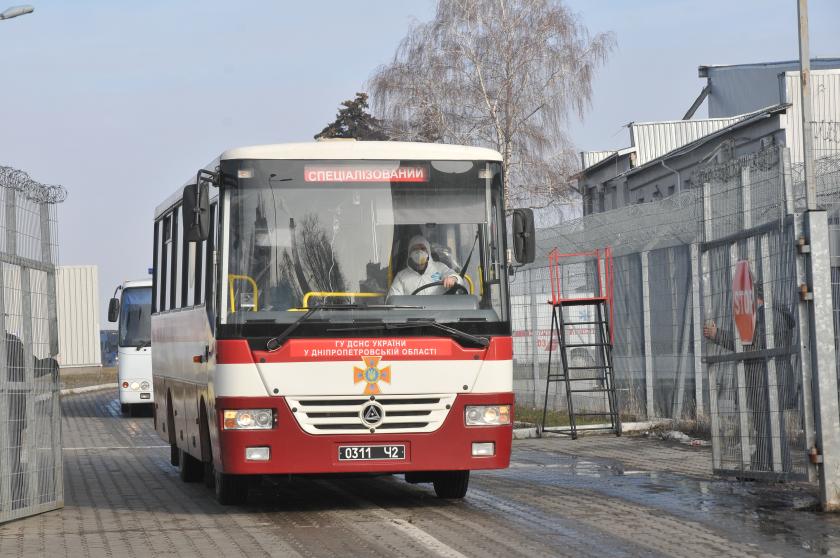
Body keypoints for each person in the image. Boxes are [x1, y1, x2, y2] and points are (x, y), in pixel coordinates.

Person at [703, 281, 797, 473]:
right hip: (764, 380)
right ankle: (769, 466)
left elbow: (752, 343)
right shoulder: (765, 315)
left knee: (768, 426)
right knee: (767, 426)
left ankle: (769, 467)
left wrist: (718, 334)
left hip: (769, 381)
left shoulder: (772, 316)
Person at [387, 235, 465, 297]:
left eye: (422, 248)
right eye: (415, 249)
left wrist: (453, 278)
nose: (419, 252)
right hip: (413, 315)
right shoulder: (401, 276)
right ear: (409, 254)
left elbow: (456, 278)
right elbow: (393, 300)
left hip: (440, 313)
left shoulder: (439, 268)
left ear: (428, 252)